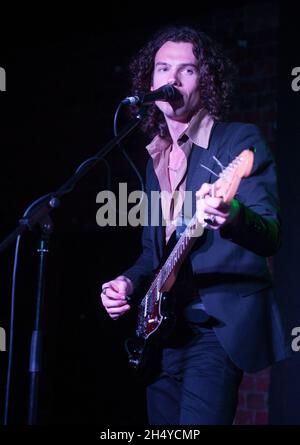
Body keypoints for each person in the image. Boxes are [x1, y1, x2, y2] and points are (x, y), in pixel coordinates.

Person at [100, 25, 289, 425]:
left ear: (207, 79)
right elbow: (153, 256)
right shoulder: (156, 158)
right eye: (162, 68)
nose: (171, 78)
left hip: (213, 332)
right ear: (148, 81)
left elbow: (270, 235)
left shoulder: (237, 140)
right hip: (161, 335)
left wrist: (231, 214)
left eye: (186, 70)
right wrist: (128, 284)